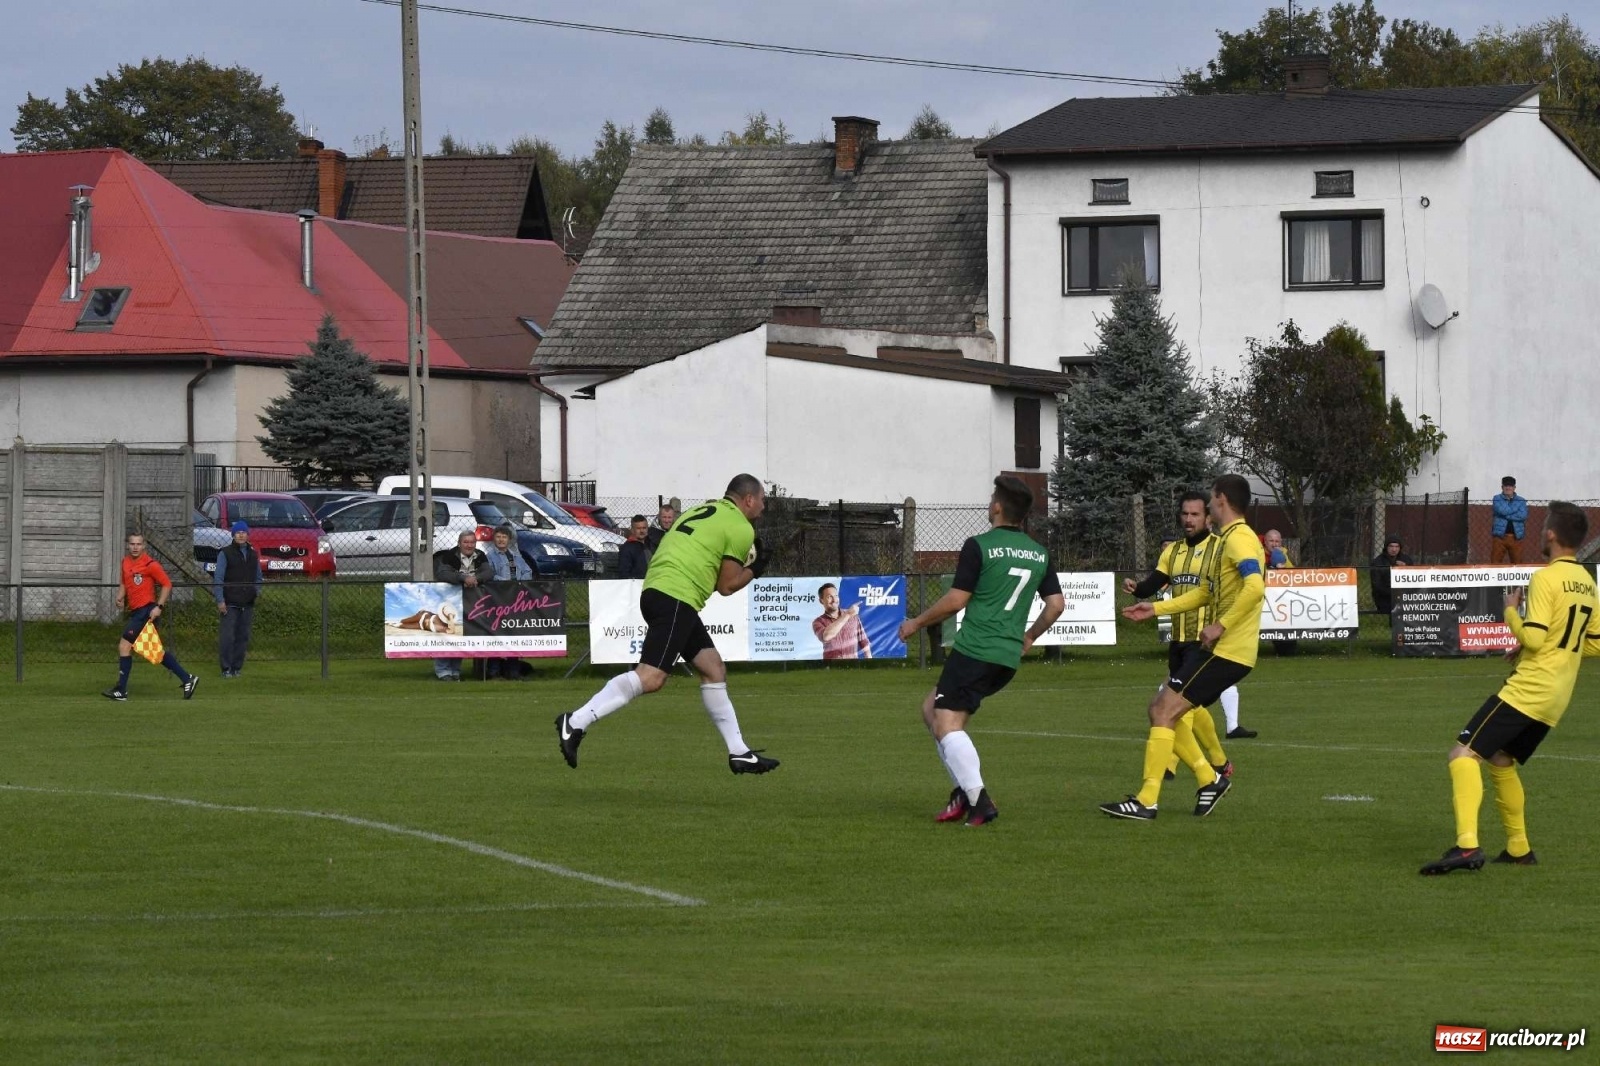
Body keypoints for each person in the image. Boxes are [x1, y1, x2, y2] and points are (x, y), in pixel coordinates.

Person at [1419, 501, 1600, 874]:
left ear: (1551, 534)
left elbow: (1534, 639)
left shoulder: (1545, 578)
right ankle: (1519, 848)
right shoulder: (1586, 582)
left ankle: (1466, 847)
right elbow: (1595, 641)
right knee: (1501, 760)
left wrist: (1510, 610)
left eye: (1543, 527)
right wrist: (1550, 646)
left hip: (1529, 689)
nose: (1539, 533)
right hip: (1556, 696)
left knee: (1462, 755)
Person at [556, 474, 779, 774]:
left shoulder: (703, 510)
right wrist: (757, 567)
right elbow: (726, 586)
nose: (763, 507)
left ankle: (739, 752)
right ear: (749, 499)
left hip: (659, 589)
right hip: (676, 595)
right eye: (762, 500)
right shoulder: (740, 527)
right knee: (651, 678)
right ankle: (576, 722)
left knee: (713, 668)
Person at [898, 476, 1065, 827]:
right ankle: (963, 791)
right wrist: (1030, 636)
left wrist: (916, 623)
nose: (990, 503)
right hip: (1005, 656)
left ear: (999, 507)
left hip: (976, 648)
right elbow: (1056, 605)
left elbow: (957, 600)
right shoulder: (1039, 553)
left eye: (993, 498)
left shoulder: (980, 545)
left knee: (946, 723)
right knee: (932, 709)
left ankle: (979, 800)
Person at [1102, 474, 1265, 820]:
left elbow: (1255, 587)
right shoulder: (1229, 540)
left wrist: (1221, 624)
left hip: (1227, 650)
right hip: (1220, 648)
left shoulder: (1238, 540)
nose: (1204, 508)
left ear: (1220, 500)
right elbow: (1206, 592)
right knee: (1164, 709)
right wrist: (1155, 608)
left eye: (1209, 500)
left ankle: (1149, 800)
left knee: (1164, 710)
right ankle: (1209, 779)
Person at [1123, 492, 1248, 782]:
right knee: (1191, 703)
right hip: (1179, 639)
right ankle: (1219, 761)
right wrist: (1136, 587)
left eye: (1195, 514)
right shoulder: (1173, 551)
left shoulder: (1220, 548)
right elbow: (1153, 584)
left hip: (1206, 640)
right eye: (1185, 514)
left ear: (1208, 517)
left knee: (1175, 703)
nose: (1189, 520)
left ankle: (1169, 764)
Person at [103, 533, 199, 702]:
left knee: (124, 646)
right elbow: (125, 582)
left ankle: (121, 690)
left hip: (145, 611)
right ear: (128, 545)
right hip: (136, 612)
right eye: (132, 544)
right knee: (155, 652)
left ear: (144, 545)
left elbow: (167, 584)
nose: (135, 547)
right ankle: (187, 679)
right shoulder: (125, 562)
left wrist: (159, 607)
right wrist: (120, 596)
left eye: (138, 544)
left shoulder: (150, 564)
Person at [432, 529, 491, 681]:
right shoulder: (449, 556)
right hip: (449, 600)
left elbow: (488, 572)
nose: (469, 545)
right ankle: (443, 671)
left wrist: (475, 578)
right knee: (446, 635)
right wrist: (463, 578)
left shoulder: (481, 556)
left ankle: (455, 671)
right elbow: (442, 573)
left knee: (461, 637)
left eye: (472, 542)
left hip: (472, 602)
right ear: (459, 543)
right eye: (465, 542)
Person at [213, 520, 262, 678]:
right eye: (238, 532)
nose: (241, 535)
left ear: (248, 535)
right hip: (230, 602)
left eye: (244, 532)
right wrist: (220, 600)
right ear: (233, 535)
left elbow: (258, 577)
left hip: (247, 602)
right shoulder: (225, 553)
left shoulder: (253, 555)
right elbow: (218, 578)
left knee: (243, 636)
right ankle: (226, 668)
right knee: (228, 637)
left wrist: (256, 592)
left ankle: (237, 667)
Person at [484, 523, 532, 680]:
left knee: (513, 634)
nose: (501, 540)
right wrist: (505, 583)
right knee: (496, 635)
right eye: (498, 537)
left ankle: (513, 670)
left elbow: (527, 572)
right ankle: (493, 671)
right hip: (497, 600)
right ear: (494, 539)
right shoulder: (489, 556)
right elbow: (489, 575)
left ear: (509, 539)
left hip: (515, 600)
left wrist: (519, 583)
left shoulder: (517, 557)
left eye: (504, 537)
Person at [813, 583, 872, 660]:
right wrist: (847, 615)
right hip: (831, 668)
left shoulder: (853, 616)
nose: (834, 600)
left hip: (852, 667)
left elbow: (864, 642)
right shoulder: (818, 622)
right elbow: (826, 637)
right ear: (821, 601)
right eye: (829, 597)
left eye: (836, 596)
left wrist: (870, 663)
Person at [1263, 528, 1298, 659]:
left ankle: (1286, 648)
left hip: (1281, 600)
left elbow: (1293, 573)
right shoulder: (1258, 554)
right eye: (1271, 541)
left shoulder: (1284, 554)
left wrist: (1282, 567)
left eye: (1277, 541)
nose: (1274, 544)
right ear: (1265, 542)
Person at [1369, 535, 1413, 618]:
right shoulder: (1378, 562)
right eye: (1391, 546)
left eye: (1397, 546)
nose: (1394, 549)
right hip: (1385, 597)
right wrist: (1395, 593)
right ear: (1386, 547)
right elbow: (1377, 586)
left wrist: (1406, 568)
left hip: (1404, 595)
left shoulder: (1406, 560)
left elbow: (1415, 579)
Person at [1491, 477, 1528, 564]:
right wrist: (1515, 510)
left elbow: (1523, 516)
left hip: (1516, 537)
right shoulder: (1497, 498)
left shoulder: (1521, 500)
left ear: (1514, 488)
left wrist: (1505, 515)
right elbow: (1502, 510)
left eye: (1510, 486)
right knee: (1495, 563)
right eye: (1506, 486)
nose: (1508, 488)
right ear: (1502, 487)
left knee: (1517, 564)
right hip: (1500, 537)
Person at [618, 514, 652, 579]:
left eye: (644, 528)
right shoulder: (626, 549)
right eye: (638, 528)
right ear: (632, 530)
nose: (642, 531)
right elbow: (624, 574)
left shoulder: (650, 544)